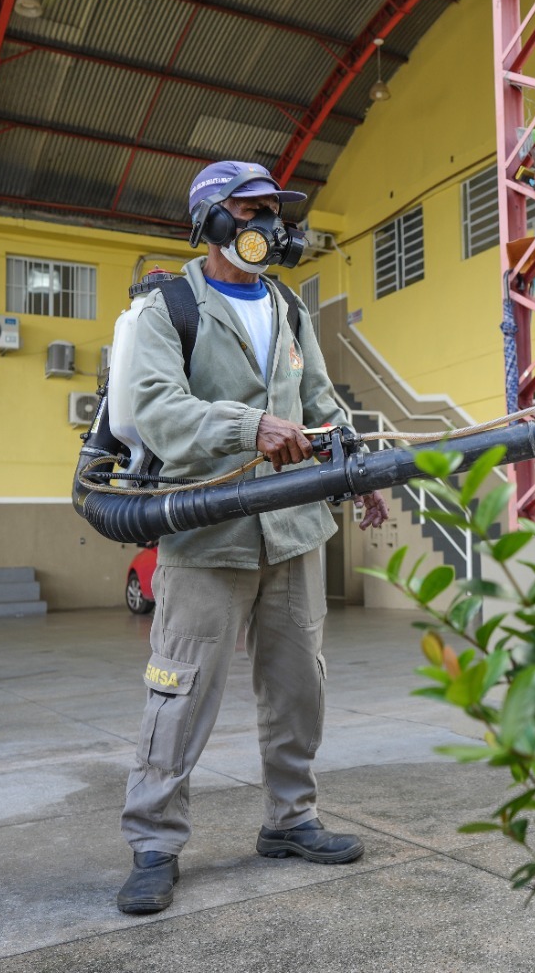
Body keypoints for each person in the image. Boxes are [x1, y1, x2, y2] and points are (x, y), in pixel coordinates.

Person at [115, 160, 389, 915]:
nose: (268, 226)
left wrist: (353, 473)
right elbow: (156, 409)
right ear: (210, 222)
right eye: (250, 210)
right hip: (206, 533)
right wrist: (248, 427)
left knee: (301, 687)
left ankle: (291, 821)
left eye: (275, 211)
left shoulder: (290, 309)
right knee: (181, 693)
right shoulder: (166, 309)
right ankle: (154, 843)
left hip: (295, 532)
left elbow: (321, 401)